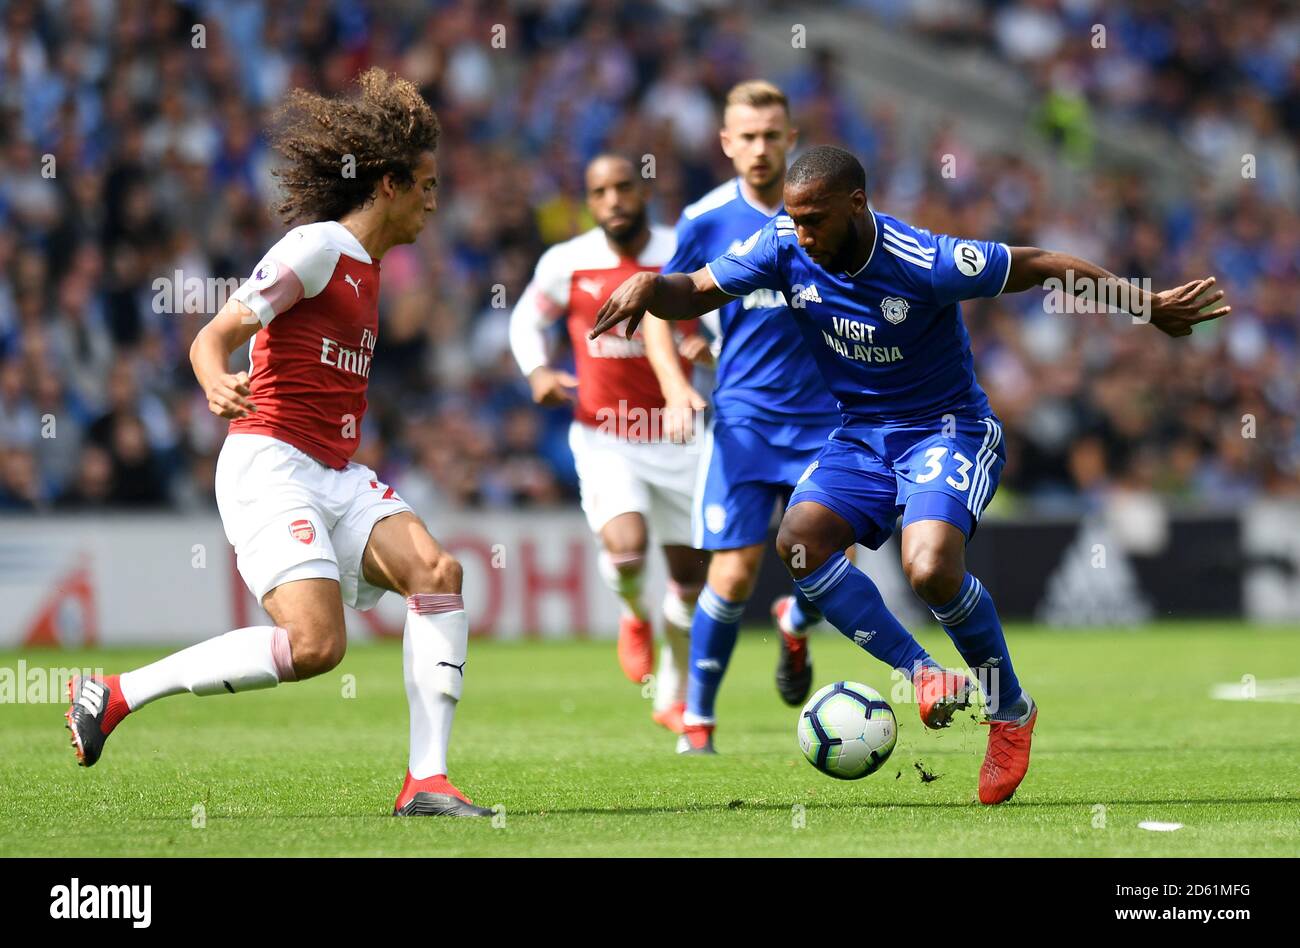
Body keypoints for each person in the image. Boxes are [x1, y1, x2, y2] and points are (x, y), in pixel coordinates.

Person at [589, 145, 1229, 803]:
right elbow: (693, 290)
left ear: (856, 205)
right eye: (795, 219)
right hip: (861, 437)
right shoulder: (783, 243)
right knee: (800, 544)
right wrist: (649, 286)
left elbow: (1038, 265)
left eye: (814, 220)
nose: (802, 234)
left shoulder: (926, 260)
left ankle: (1010, 711)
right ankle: (924, 674)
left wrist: (1145, 306)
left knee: (929, 569)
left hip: (946, 430)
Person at [65, 69, 493, 818]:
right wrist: (211, 379)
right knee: (315, 648)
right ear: (388, 184)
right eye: (425, 184)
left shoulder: (371, 270)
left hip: (331, 469)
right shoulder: (318, 247)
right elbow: (215, 334)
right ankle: (118, 693)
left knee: (437, 570)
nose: (434, 200)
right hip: (269, 462)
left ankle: (426, 782)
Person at [642, 80, 843, 755]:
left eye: (771, 135)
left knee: (827, 563)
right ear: (726, 144)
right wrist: (675, 387)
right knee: (730, 575)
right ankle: (698, 719)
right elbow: (658, 308)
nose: (760, 148)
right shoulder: (704, 220)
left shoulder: (829, 211)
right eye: (746, 137)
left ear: (792, 139)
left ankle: (796, 620)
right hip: (745, 421)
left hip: (829, 418)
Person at [510, 154, 708, 734]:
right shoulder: (566, 263)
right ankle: (631, 612)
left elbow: (725, 315)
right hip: (605, 433)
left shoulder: (683, 248)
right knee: (626, 544)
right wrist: (538, 373)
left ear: (644, 190)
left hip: (678, 434)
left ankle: (672, 693)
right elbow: (525, 321)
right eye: (600, 192)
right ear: (589, 202)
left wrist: (709, 350)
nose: (614, 200)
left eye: (624, 187)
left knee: (689, 583)